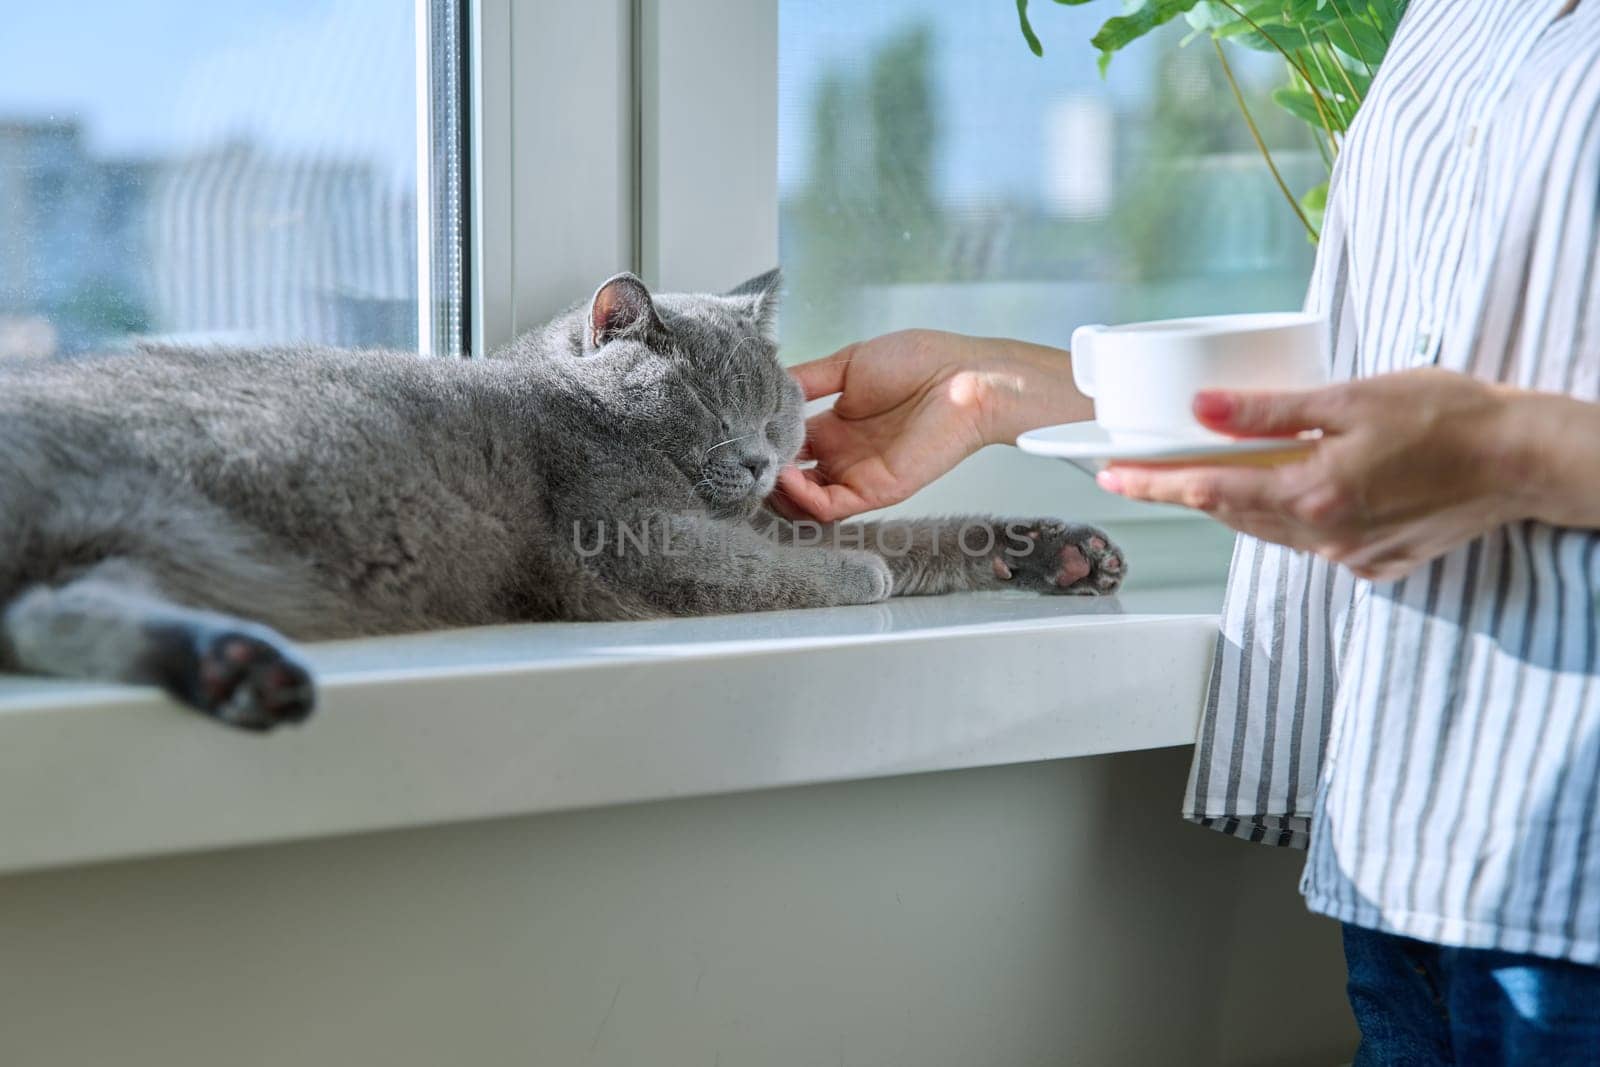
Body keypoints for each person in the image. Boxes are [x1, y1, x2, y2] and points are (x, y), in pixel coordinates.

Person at [772, 2, 1600, 1062]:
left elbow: (1497, 415)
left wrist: (1513, 451)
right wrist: (1009, 389)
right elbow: (1414, 344)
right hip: (1415, 846)